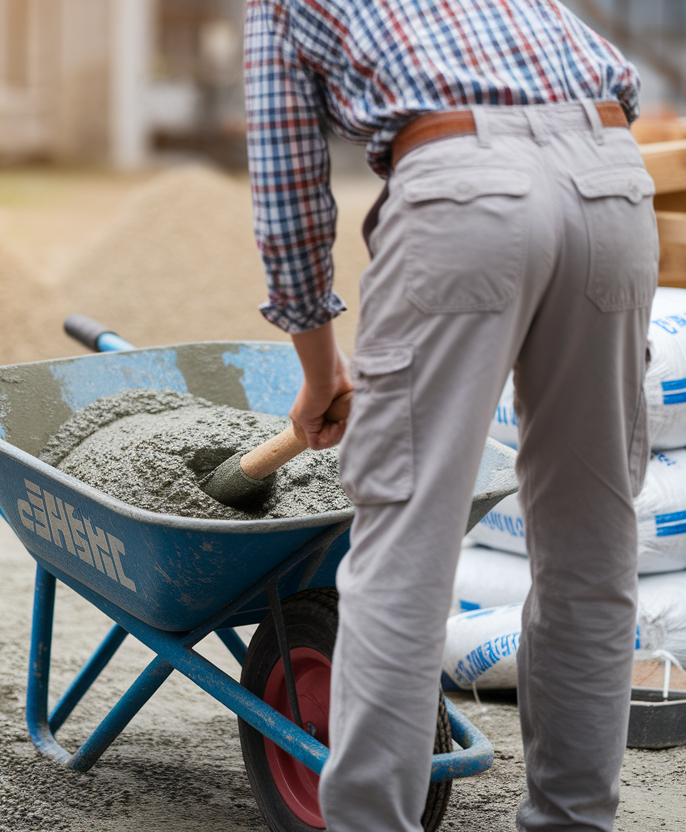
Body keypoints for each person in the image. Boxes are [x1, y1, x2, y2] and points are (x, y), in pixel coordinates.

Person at [243, 2, 656, 831]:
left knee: (403, 553)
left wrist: (320, 369)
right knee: (590, 551)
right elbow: (613, 77)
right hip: (611, 181)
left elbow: (288, 191)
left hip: (465, 193)